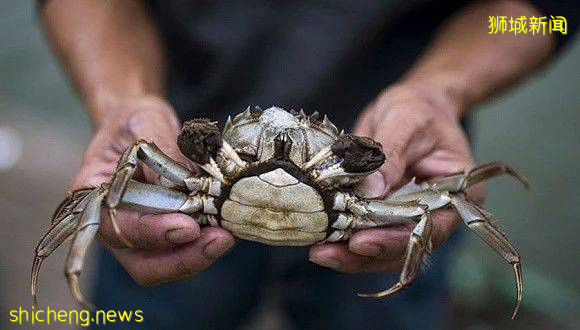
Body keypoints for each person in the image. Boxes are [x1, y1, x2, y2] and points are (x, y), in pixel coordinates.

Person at [38, 0, 576, 329]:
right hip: (183, 193)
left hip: (390, 170)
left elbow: (551, 11)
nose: (280, 146)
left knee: (435, 211)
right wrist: (121, 101)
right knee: (112, 219)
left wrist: (444, 88)